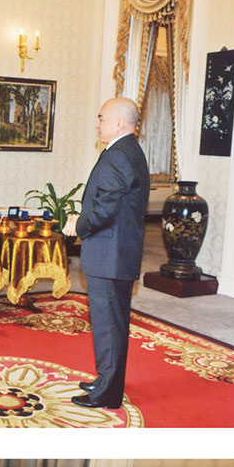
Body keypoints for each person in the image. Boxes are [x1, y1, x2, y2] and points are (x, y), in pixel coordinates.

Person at [63, 97, 150, 409]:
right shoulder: (127, 150)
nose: (97, 124)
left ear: (119, 123)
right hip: (115, 251)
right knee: (111, 324)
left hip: (110, 254)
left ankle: (107, 394)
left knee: (109, 326)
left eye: (101, 118)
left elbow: (105, 210)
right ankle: (106, 382)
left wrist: (78, 224)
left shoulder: (119, 156)